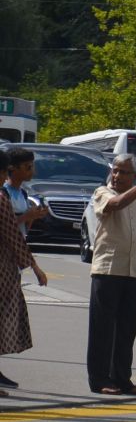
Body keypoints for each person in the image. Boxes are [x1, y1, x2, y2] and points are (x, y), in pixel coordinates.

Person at [87, 153, 136, 396]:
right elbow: (116, 204)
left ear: (134, 176)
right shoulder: (103, 193)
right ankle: (100, 380)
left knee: (127, 330)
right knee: (103, 328)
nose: (117, 176)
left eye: (123, 172)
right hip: (109, 270)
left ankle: (122, 379)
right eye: (115, 170)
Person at [0, 149, 49, 393]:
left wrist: (31, 217)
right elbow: (10, 231)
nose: (31, 171)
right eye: (27, 166)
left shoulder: (20, 193)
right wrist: (35, 267)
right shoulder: (2, 195)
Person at [3, 146, 51, 237]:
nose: (32, 171)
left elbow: (24, 228)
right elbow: (4, 225)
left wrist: (34, 215)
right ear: (12, 168)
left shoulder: (23, 193)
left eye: (32, 166)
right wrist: (26, 216)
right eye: (28, 167)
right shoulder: (3, 193)